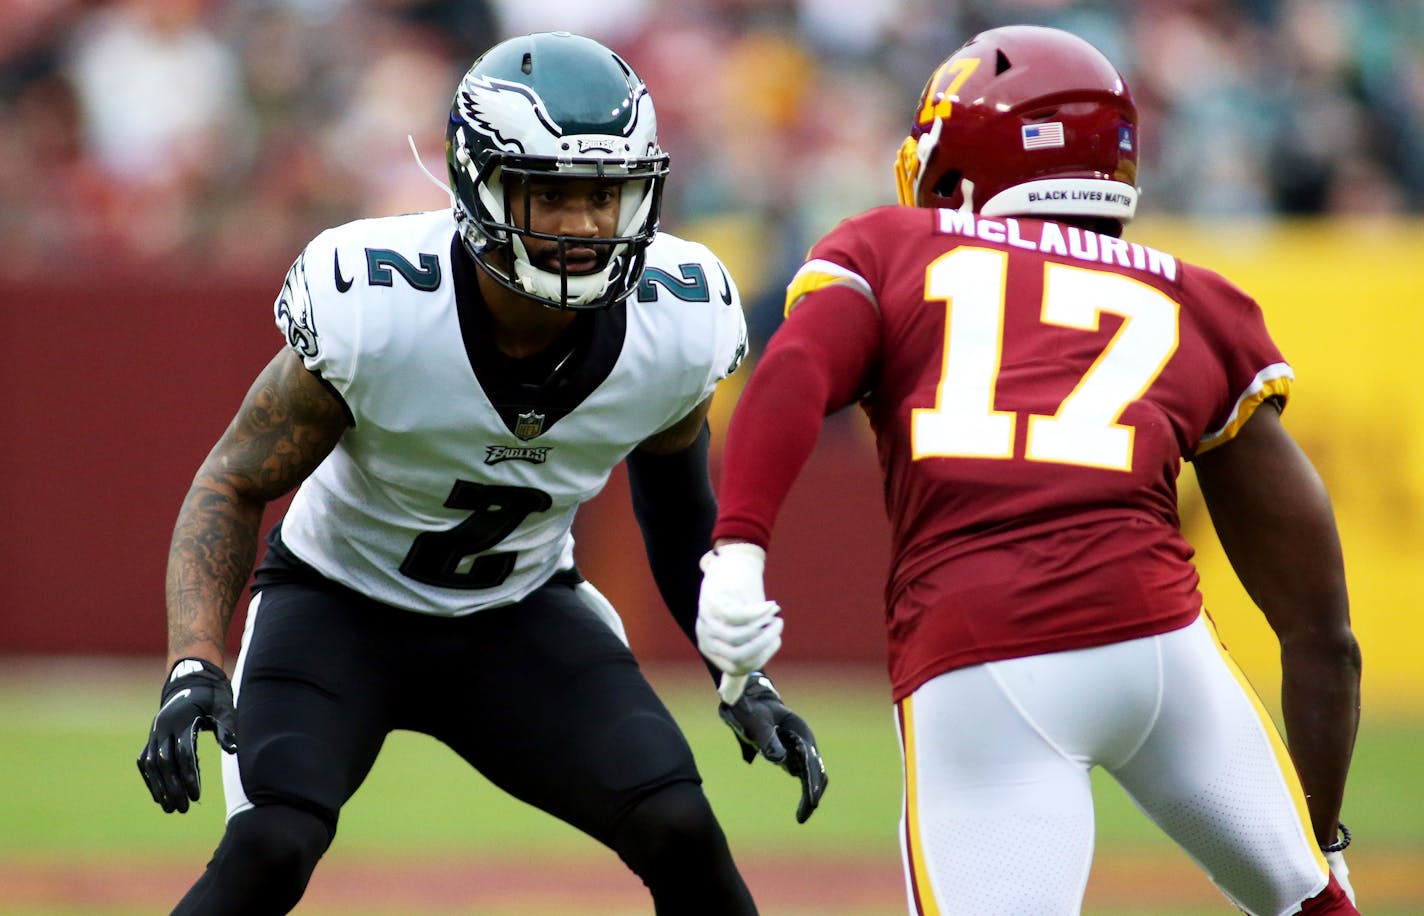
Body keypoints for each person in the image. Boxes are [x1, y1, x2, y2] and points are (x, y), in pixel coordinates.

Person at [135, 30, 826, 915]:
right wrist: (194, 662)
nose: (582, 228)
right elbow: (232, 482)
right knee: (273, 843)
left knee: (682, 829)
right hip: (337, 603)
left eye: (606, 197)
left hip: (517, 615)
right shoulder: (375, 300)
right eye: (552, 195)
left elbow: (677, 507)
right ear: (477, 182)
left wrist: (741, 679)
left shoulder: (679, 317)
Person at [695, 24, 1361, 916]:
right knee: (1309, 902)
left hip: (986, 652)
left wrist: (738, 551)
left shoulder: (894, 246)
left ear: (963, 164)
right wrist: (1320, 843)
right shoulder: (1193, 297)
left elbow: (791, 373)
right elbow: (1323, 630)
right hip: (1162, 648)